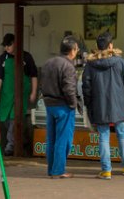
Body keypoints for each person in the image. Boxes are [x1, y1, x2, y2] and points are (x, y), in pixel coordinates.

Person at [81, 32, 124, 179]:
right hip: (119, 104)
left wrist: (88, 104)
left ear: (97, 47)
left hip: (100, 106)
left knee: (103, 137)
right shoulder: (120, 62)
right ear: (110, 46)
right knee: (122, 135)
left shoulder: (90, 65)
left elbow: (86, 87)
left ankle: (106, 170)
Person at [39, 37, 81, 178]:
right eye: (76, 49)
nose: (77, 52)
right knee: (64, 139)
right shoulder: (68, 66)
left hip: (49, 105)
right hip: (63, 106)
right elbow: (69, 89)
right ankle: (59, 170)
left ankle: (51, 169)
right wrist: (73, 104)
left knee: (51, 138)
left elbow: (42, 84)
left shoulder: (48, 63)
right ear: (72, 50)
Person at [0, 33, 38, 155]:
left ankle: (10, 147)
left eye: (9, 45)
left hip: (21, 94)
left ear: (15, 43)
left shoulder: (26, 57)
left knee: (14, 118)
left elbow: (33, 75)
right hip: (6, 95)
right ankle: (21, 142)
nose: (6, 48)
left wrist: (33, 92)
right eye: (5, 45)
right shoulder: (2, 59)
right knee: (6, 119)